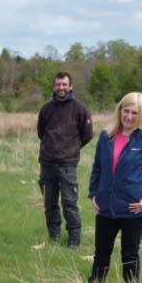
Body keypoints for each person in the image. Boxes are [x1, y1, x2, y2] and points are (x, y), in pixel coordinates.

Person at [88, 92, 142, 283]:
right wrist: (93, 194)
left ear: (141, 115)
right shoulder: (106, 137)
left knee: (129, 255)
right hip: (106, 206)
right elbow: (97, 168)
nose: (129, 117)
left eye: (134, 113)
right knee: (101, 253)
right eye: (126, 111)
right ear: (120, 110)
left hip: (134, 208)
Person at [37, 72, 93, 248]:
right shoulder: (46, 109)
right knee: (50, 203)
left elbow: (87, 135)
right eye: (58, 85)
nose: (61, 88)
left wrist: (71, 149)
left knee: (69, 203)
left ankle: (74, 240)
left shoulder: (80, 109)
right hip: (47, 164)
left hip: (68, 165)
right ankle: (54, 236)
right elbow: (41, 133)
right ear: (54, 87)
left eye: (64, 84)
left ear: (71, 86)